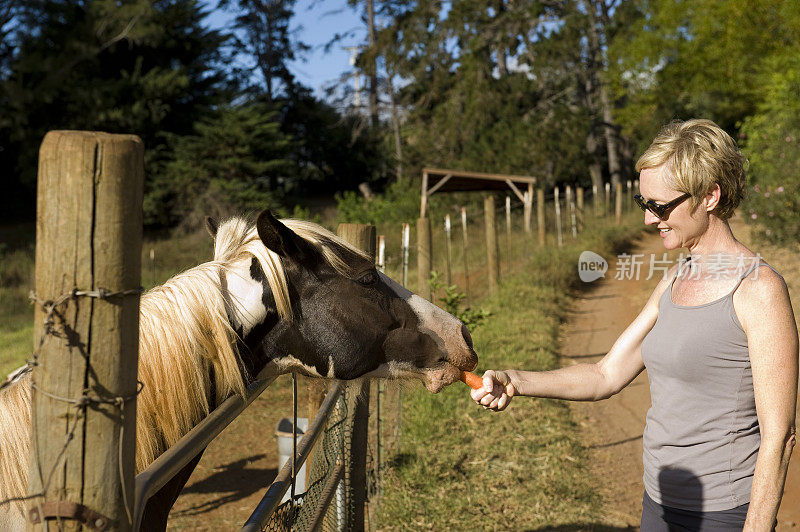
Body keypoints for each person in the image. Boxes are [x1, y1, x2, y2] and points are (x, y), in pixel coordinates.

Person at [471, 119, 798, 531]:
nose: (649, 220)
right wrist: (516, 379)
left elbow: (780, 435)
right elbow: (605, 375)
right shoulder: (674, 277)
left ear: (710, 196)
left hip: (724, 513)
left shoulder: (758, 290)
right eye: (644, 204)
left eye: (660, 206)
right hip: (658, 502)